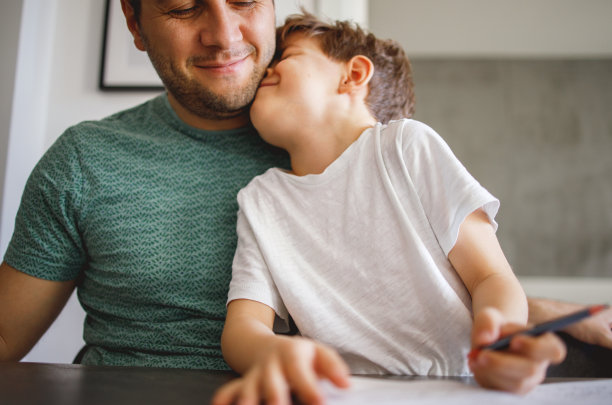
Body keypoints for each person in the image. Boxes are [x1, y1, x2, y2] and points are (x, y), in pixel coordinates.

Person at [0, 0, 607, 389]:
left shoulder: (369, 146)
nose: (224, 33)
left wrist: (513, 312)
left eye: (244, 1)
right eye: (184, 7)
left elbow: (432, 270)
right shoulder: (89, 162)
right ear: (134, 23)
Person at [212, 13, 575, 404]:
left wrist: (500, 336)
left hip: (463, 385)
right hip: (345, 394)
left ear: (353, 75)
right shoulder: (262, 200)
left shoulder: (406, 147)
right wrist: (274, 352)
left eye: (287, 56)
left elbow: (490, 276)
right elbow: (243, 328)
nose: (267, 68)